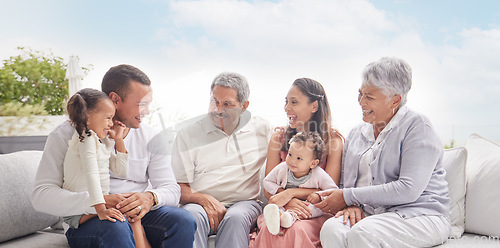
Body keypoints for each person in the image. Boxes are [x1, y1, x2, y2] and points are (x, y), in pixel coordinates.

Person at [31, 64, 196, 248]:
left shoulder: (151, 138)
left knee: (182, 220)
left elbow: (171, 189)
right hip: (92, 219)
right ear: (115, 99)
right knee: (116, 226)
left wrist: (150, 197)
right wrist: (96, 202)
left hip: (136, 213)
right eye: (142, 104)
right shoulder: (68, 135)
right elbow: (41, 195)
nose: (147, 112)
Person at [318, 57, 451, 247]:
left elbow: (408, 189)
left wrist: (349, 196)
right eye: (360, 93)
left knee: (363, 233)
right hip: (374, 214)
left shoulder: (418, 127)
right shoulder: (357, 132)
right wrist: (352, 205)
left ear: (395, 100)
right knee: (332, 229)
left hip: (420, 214)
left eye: (369, 97)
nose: (361, 101)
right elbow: (345, 183)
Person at [171, 72, 272, 248]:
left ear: (244, 106)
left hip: (245, 204)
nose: (218, 110)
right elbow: (177, 187)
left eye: (227, 104)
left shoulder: (263, 129)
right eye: (214, 101)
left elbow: (295, 145)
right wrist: (203, 199)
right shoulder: (188, 134)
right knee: (190, 218)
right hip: (198, 204)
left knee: (236, 218)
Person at [249, 78, 344, 248]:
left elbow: (329, 191)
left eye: (294, 102)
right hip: (282, 207)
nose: (287, 108)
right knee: (273, 228)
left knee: (296, 230)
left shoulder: (333, 141)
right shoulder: (278, 139)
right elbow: (268, 186)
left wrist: (290, 193)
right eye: (286, 102)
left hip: (315, 211)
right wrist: (286, 200)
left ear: (314, 106)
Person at [62, 88, 150, 248]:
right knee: (125, 212)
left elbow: (121, 171)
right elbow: (92, 175)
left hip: (96, 203)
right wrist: (101, 210)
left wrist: (118, 140)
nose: (111, 123)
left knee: (133, 214)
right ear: (88, 118)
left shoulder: (100, 142)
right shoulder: (85, 139)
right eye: (108, 118)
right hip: (77, 210)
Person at [262, 131, 338, 235]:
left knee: (315, 208)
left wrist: (318, 195)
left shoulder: (318, 174)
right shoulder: (283, 168)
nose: (292, 161)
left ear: (313, 163)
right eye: (290, 154)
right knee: (277, 205)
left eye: (298, 158)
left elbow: (333, 190)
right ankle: (277, 218)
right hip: (287, 203)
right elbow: (267, 181)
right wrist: (282, 192)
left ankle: (290, 217)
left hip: (307, 205)